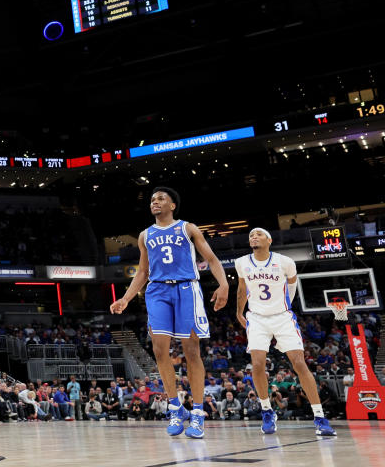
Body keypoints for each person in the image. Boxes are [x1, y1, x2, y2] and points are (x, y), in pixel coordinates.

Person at [110, 187, 229, 440]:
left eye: (161, 198)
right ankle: (176, 408)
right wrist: (126, 298)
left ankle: (197, 412)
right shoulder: (145, 235)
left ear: (173, 205)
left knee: (192, 351)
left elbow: (212, 258)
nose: (155, 202)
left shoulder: (188, 228)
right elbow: (142, 271)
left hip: (186, 287)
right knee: (160, 350)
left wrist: (224, 284)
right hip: (157, 291)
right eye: (153, 199)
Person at [235, 228, 336, 436]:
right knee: (256, 364)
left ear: (269, 240)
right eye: (251, 235)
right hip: (256, 318)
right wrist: (239, 312)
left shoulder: (285, 261)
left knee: (299, 363)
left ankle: (319, 416)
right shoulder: (241, 262)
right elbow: (242, 288)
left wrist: (285, 306)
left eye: (259, 234)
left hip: (282, 317)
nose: (253, 236)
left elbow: (292, 286)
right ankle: (267, 411)